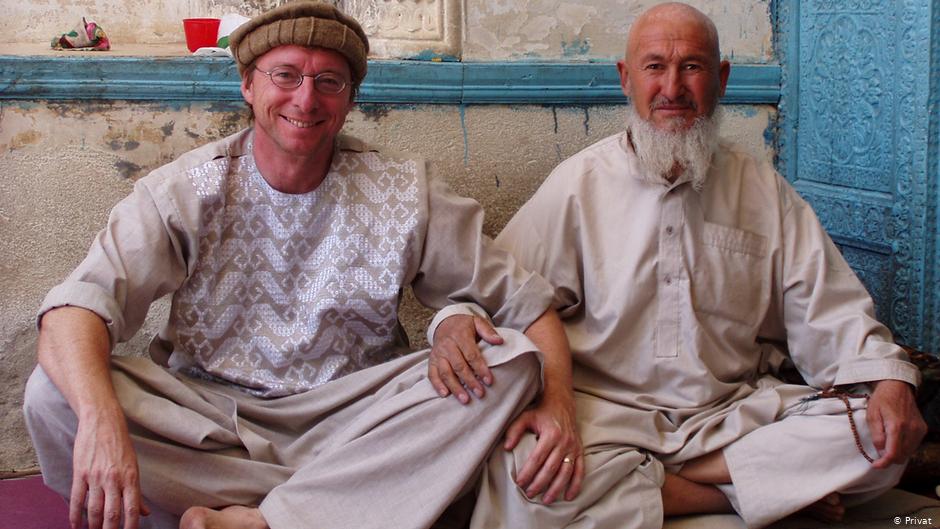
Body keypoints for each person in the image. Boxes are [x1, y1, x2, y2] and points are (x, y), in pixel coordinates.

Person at [21, 3, 580, 529]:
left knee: (511, 360)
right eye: (285, 75)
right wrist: (100, 421)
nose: (305, 100)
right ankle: (347, 503)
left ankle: (264, 517)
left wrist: (557, 406)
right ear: (248, 84)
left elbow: (526, 306)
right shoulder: (189, 188)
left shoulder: (402, 191)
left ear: (351, 97)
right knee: (55, 392)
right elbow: (77, 308)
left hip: (353, 423)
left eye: (328, 81)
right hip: (213, 421)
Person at [453, 3, 928, 528]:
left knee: (878, 437)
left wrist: (888, 382)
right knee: (523, 470)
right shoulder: (577, 185)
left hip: (731, 418)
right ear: (625, 79)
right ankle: (735, 493)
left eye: (693, 67)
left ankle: (666, 480)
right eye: (655, 66)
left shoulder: (761, 190)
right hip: (606, 419)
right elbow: (501, 296)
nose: (673, 88)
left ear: (721, 79)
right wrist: (457, 325)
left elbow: (829, 309)